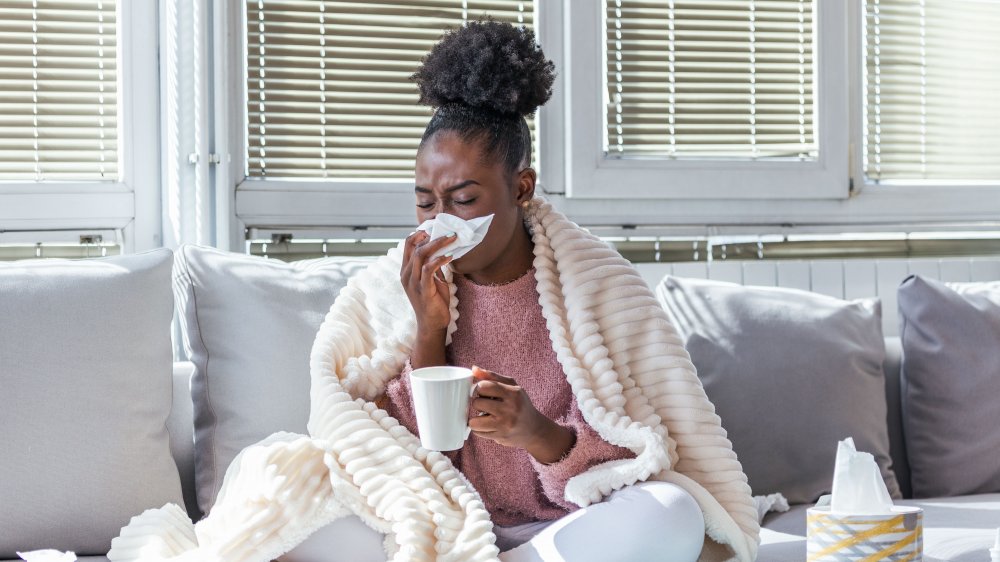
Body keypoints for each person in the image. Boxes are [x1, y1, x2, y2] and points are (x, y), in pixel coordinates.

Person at [108, 18, 758, 562]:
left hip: (560, 527)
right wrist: (426, 330)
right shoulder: (399, 286)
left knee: (668, 514)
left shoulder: (597, 285)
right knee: (286, 509)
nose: (439, 218)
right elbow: (397, 453)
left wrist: (538, 434)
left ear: (521, 189)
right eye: (426, 201)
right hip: (437, 515)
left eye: (464, 198)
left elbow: (642, 451)